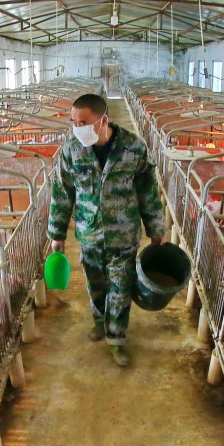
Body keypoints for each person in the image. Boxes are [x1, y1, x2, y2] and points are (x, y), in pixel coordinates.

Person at [48, 93, 166, 367]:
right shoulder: (71, 151)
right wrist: (57, 235)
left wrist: (156, 228)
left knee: (121, 288)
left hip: (123, 234)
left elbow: (147, 190)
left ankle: (116, 338)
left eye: (83, 122)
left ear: (103, 120)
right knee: (95, 284)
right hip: (88, 234)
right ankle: (100, 320)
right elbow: (61, 193)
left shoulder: (133, 148)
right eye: (73, 122)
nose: (77, 127)